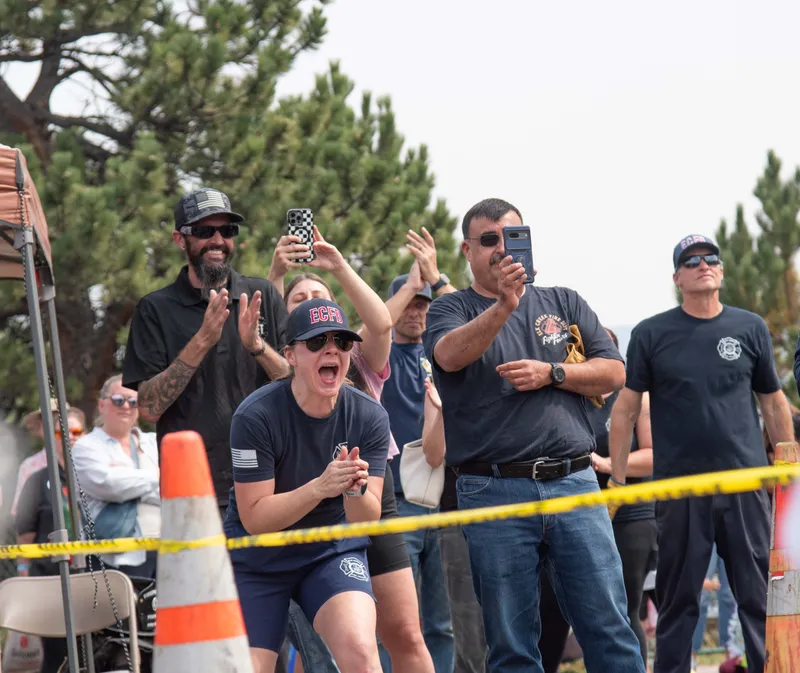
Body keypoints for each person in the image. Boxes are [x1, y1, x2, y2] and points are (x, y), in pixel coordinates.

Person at [423, 197, 644, 673]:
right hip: (493, 488)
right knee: (511, 645)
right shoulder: (451, 308)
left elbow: (614, 373)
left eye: (513, 237)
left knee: (610, 629)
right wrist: (505, 305)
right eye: (489, 240)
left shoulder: (563, 300)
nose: (502, 249)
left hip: (574, 482)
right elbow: (448, 356)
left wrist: (554, 373)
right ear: (466, 250)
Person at [609, 234, 795, 673]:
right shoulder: (652, 333)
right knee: (678, 601)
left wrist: (789, 469)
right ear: (677, 277)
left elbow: (773, 401)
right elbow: (626, 409)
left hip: (746, 486)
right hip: (680, 490)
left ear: (722, 271)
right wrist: (617, 481)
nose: (702, 264)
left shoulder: (749, 327)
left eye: (711, 258)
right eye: (690, 261)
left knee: (757, 597)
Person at [270, 227, 434, 673]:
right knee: (315, 649)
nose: (309, 300)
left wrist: (337, 265)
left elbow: (381, 323)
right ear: (288, 345)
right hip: (305, 502)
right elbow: (263, 335)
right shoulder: (273, 367)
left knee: (405, 632)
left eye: (319, 294)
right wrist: (275, 274)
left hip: (370, 494)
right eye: (297, 298)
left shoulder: (354, 357)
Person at [225, 298, 389, 673]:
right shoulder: (255, 416)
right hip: (259, 557)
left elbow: (367, 521)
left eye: (342, 342)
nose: (331, 349)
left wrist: (354, 490)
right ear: (291, 355)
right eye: (316, 342)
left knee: (362, 655)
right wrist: (321, 487)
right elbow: (254, 517)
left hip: (328, 552)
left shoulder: (369, 415)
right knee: (249, 667)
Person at [122, 188, 289, 515]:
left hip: (269, 481)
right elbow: (148, 409)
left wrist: (257, 347)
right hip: (192, 492)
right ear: (179, 239)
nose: (217, 240)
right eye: (202, 231)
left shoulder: (261, 294)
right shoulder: (155, 309)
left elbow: (297, 384)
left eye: (226, 231)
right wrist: (201, 342)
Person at [424, 355, 571, 673]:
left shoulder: (520, 373)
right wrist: (441, 408)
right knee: (470, 628)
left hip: (532, 509)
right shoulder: (446, 373)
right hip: (461, 515)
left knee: (536, 618)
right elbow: (433, 453)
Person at [380, 228, 456, 673]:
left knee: (441, 623)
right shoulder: (377, 356)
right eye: (410, 302)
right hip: (397, 502)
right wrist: (410, 284)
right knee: (397, 623)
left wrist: (434, 278)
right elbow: (373, 327)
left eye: (424, 304)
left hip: (444, 500)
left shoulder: (440, 353)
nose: (417, 312)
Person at [591, 327, 657, 668]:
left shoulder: (634, 396)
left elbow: (653, 455)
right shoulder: (574, 397)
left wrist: (607, 464)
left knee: (625, 607)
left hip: (631, 513)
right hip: (581, 513)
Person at [15, 406, 86, 673]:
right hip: (49, 578)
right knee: (58, 655)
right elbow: (25, 535)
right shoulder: (35, 479)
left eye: (77, 431)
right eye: (62, 431)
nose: (70, 437)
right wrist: (24, 574)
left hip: (88, 577)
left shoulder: (95, 475)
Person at [73, 375, 160, 578]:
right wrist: (157, 476)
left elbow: (175, 487)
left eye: (133, 401)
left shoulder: (153, 442)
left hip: (163, 547)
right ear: (102, 404)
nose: (126, 407)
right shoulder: (86, 447)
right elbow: (109, 484)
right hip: (113, 557)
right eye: (118, 400)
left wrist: (129, 481)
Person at [12, 402, 86, 518]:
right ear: (40, 426)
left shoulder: (89, 460)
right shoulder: (29, 466)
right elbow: (21, 516)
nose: (54, 423)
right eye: (47, 419)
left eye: (60, 418)